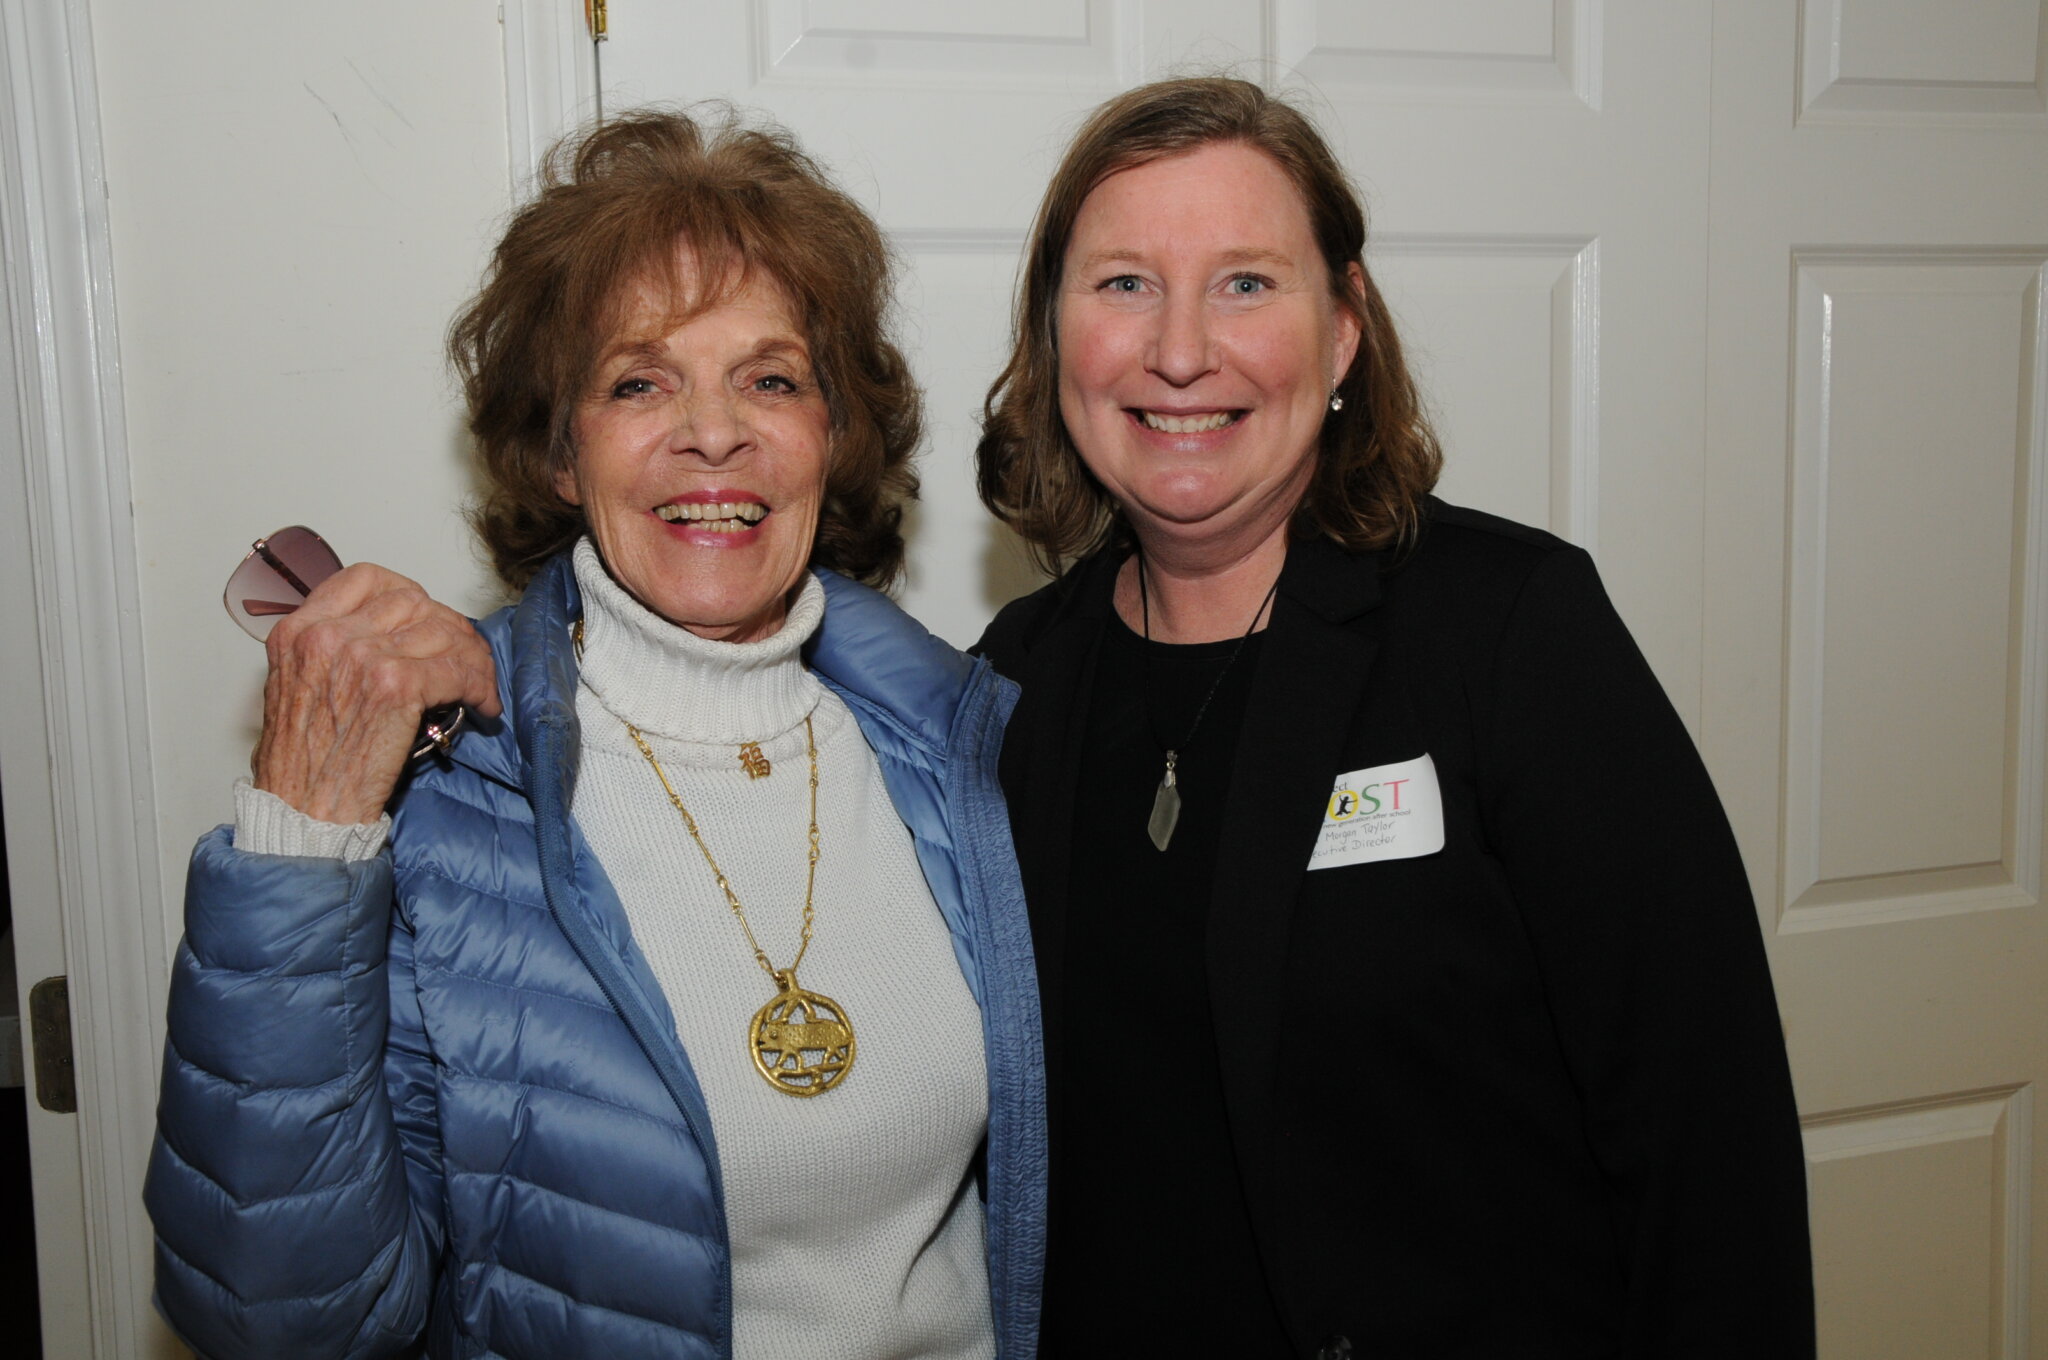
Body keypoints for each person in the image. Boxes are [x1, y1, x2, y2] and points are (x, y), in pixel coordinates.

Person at [145, 107, 1044, 1360]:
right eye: (638, 381)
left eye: (771, 379)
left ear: (832, 438)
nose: (712, 431)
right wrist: (301, 834)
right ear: (561, 450)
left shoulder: (962, 748)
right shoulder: (443, 790)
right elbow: (283, 1319)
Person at [975, 77, 1811, 1357]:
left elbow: (1702, 1131)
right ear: (1055, 334)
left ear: (1344, 328)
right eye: (1123, 283)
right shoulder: (1014, 684)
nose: (1182, 349)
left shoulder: (1508, 632)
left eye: (1247, 282)